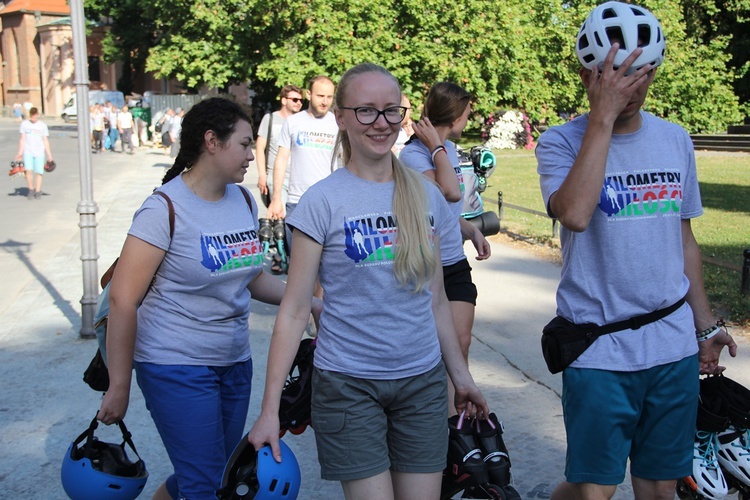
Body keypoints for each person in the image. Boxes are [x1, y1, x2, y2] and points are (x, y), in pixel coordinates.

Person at [248, 63, 489, 500]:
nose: (381, 123)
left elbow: (437, 300)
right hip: (348, 386)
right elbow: (296, 308)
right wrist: (269, 411)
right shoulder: (323, 202)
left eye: (390, 111)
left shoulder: (425, 194)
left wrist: (461, 377)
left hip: (422, 383)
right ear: (340, 117)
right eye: (365, 111)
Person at [535, 3, 737, 499]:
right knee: (593, 490)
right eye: (612, 73)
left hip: (671, 346)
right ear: (587, 72)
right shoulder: (560, 142)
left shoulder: (674, 139)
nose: (627, 86)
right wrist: (601, 118)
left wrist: (705, 326)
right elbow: (576, 213)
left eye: (639, 73)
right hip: (597, 347)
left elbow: (682, 238)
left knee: (659, 488)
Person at [96, 97, 316, 500]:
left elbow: (252, 280)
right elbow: (123, 301)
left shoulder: (244, 200)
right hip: (174, 365)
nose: (253, 155)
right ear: (212, 141)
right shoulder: (163, 209)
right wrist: (119, 385)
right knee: (205, 483)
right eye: (246, 144)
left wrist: (309, 301)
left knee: (215, 470)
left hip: (234, 363)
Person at [399, 82, 491, 414]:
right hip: (429, 267)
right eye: (467, 114)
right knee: (439, 349)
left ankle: (456, 421)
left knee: (461, 344)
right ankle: (436, 420)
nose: (469, 120)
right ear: (454, 117)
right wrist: (436, 147)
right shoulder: (412, 156)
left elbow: (450, 211)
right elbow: (449, 193)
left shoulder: (447, 149)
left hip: (456, 260)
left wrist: (472, 230)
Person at [266, 75, 338, 256]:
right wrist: (276, 199)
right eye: (320, 96)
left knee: (327, 266)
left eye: (329, 97)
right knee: (299, 263)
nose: (325, 101)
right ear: (308, 94)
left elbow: (350, 160)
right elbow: (281, 159)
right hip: (297, 201)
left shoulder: (339, 124)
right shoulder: (293, 122)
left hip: (329, 203)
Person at [256, 85, 304, 209]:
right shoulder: (270, 119)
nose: (298, 103)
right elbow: (260, 148)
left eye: (301, 100)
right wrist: (262, 175)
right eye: (294, 100)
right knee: (281, 216)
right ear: (283, 100)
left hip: (297, 178)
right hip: (275, 177)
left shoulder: (301, 122)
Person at [16, 107, 54, 200]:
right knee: (28, 170)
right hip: (28, 151)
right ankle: (31, 189)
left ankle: (37, 191)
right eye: (32, 117)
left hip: (39, 152)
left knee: (39, 172)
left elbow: (45, 140)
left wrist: (49, 155)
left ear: (37, 115)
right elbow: (22, 139)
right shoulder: (24, 124)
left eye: (35, 117)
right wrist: (20, 152)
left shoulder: (42, 125)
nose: (33, 119)